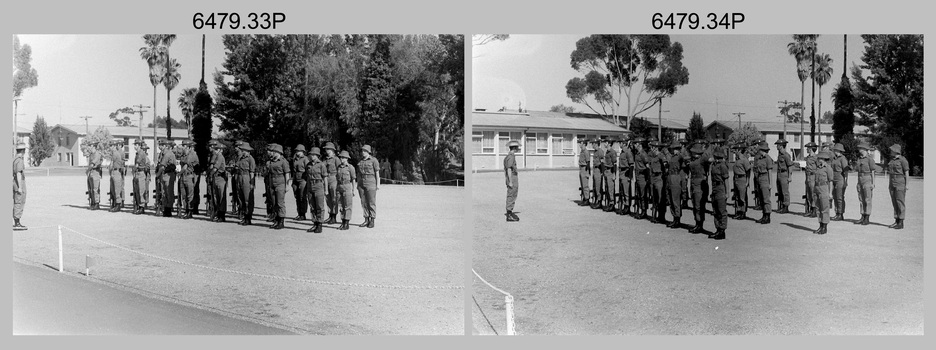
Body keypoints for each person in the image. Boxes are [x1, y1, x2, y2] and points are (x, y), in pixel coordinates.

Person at [687, 143, 709, 233]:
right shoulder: (694, 160)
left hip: (699, 185)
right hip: (694, 184)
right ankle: (697, 223)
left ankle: (700, 225)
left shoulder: (702, 159)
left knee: (699, 206)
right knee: (695, 205)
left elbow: (709, 159)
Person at [267, 143, 290, 229]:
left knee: (280, 203)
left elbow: (287, 173)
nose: (273, 153)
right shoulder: (271, 161)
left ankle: (281, 221)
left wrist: (287, 185)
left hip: (280, 183)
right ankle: (276, 220)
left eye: (275, 151)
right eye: (273, 151)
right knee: (274, 203)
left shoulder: (283, 161)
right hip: (272, 182)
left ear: (279, 152)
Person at [709, 148, 730, 240]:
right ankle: (718, 229)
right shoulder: (714, 165)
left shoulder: (723, 166)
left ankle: (722, 230)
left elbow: (726, 180)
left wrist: (727, 193)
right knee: (715, 210)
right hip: (715, 188)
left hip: (721, 188)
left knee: (722, 210)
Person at [305, 147, 327, 233]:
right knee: (312, 206)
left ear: (317, 155)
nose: (312, 156)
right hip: (310, 185)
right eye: (311, 154)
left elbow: (325, 178)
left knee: (319, 206)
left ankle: (320, 224)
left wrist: (326, 190)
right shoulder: (308, 165)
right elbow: (307, 176)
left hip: (318, 185)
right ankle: (315, 223)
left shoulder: (321, 165)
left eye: (314, 155)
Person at [357, 144, 380, 228]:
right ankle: (366, 219)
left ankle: (372, 220)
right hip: (361, 183)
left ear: (368, 152)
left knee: (371, 202)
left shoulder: (374, 160)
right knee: (364, 202)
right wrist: (358, 184)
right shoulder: (360, 161)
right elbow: (358, 173)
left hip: (371, 182)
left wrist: (378, 184)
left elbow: (377, 173)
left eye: (365, 151)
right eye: (362, 151)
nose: (363, 152)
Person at [887, 144, 909, 229]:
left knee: (900, 202)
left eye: (892, 150)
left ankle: (901, 222)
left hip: (900, 182)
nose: (890, 151)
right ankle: (896, 220)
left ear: (896, 151)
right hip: (892, 182)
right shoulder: (892, 160)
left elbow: (906, 173)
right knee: (894, 202)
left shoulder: (903, 160)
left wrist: (907, 185)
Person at [234, 141, 256, 226]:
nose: (242, 151)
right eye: (242, 149)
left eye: (244, 150)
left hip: (247, 178)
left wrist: (252, 183)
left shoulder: (251, 159)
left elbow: (252, 172)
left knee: (248, 199)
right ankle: (243, 215)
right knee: (240, 198)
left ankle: (248, 217)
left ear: (248, 151)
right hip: (239, 177)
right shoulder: (240, 158)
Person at [753, 141, 775, 224]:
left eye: (760, 150)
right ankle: (764, 215)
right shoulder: (760, 158)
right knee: (761, 198)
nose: (759, 151)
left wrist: (770, 184)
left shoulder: (768, 159)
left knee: (766, 199)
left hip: (765, 178)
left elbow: (770, 171)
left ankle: (767, 216)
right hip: (760, 178)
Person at [813, 151, 834, 234]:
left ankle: (824, 227)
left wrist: (830, 193)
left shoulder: (828, 168)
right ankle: (820, 225)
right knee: (818, 208)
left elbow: (831, 181)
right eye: (819, 158)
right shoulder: (818, 168)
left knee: (824, 208)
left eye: (820, 158)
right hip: (817, 188)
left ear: (824, 159)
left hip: (824, 188)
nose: (819, 160)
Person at [854, 142, 875, 225]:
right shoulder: (859, 159)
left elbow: (873, 171)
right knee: (861, 198)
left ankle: (867, 217)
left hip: (867, 178)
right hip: (860, 178)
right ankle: (862, 216)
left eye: (860, 148)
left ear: (865, 149)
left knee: (867, 199)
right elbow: (857, 169)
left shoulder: (870, 159)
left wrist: (873, 183)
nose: (859, 150)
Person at [665, 141, 685, 228]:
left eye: (676, 149)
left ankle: (677, 219)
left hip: (676, 177)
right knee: (670, 199)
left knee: (676, 200)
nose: (674, 150)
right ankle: (674, 218)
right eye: (674, 149)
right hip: (670, 177)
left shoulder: (680, 156)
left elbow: (685, 163)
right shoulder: (672, 157)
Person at [156, 140, 178, 217]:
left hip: (168, 175)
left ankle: (168, 209)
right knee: (164, 192)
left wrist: (157, 175)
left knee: (168, 192)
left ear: (165, 146)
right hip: (165, 175)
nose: (159, 146)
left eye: (161, 145)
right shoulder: (163, 154)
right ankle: (166, 208)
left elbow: (162, 167)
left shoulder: (167, 154)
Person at [178, 140, 199, 219]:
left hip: (189, 176)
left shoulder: (191, 154)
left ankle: (190, 211)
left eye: (184, 146)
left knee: (189, 195)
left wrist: (179, 173)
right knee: (184, 195)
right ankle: (186, 210)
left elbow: (185, 166)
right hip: (183, 176)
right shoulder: (184, 155)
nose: (182, 147)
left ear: (188, 147)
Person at [336, 150, 357, 230]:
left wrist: (353, 190)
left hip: (347, 186)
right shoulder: (339, 167)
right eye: (341, 157)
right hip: (340, 187)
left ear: (347, 158)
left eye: (343, 158)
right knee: (341, 205)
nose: (341, 159)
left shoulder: (350, 167)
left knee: (347, 205)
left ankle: (347, 223)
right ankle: (342, 221)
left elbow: (353, 179)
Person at [730, 142, 751, 220]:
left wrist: (748, 181)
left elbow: (748, 170)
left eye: (736, 150)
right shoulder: (737, 159)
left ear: (739, 150)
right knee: (737, 196)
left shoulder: (744, 159)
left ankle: (743, 212)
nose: (735, 151)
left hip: (742, 178)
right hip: (736, 178)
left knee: (742, 197)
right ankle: (738, 211)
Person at [648, 141, 667, 224]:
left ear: (655, 148)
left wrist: (663, 175)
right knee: (654, 197)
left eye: (652, 147)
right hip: (653, 177)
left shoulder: (661, 156)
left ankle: (661, 216)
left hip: (659, 177)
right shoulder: (653, 156)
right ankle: (654, 216)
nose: (651, 148)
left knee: (660, 198)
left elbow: (666, 166)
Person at [208, 141, 228, 222]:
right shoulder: (216, 156)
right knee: (216, 197)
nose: (215, 150)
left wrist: (210, 175)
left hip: (220, 178)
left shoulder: (220, 157)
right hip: (216, 178)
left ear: (220, 150)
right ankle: (218, 213)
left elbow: (215, 168)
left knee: (221, 197)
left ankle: (221, 215)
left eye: (217, 149)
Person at [132, 140, 152, 215]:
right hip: (138, 173)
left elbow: (137, 164)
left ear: (139, 145)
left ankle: (141, 207)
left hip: (140, 172)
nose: (135, 146)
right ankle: (138, 206)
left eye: (136, 145)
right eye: (134, 145)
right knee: (137, 190)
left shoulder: (141, 153)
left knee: (141, 190)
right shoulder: (138, 153)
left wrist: (133, 170)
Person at [830, 143, 849, 221]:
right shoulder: (834, 158)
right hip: (834, 178)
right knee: (835, 197)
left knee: (839, 197)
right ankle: (837, 213)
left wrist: (846, 181)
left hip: (840, 179)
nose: (835, 151)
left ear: (839, 150)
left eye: (836, 149)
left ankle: (840, 214)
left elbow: (846, 171)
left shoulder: (843, 159)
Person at [323, 142, 340, 224]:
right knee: (328, 198)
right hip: (326, 179)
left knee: (334, 198)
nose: (327, 151)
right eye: (326, 149)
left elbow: (339, 170)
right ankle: (330, 215)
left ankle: (334, 216)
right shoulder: (325, 160)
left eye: (329, 149)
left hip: (334, 178)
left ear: (333, 150)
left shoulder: (336, 159)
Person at [291, 145, 309, 221]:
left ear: (303, 152)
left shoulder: (305, 159)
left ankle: (303, 214)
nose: (297, 152)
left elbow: (308, 170)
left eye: (299, 151)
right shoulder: (294, 159)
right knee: (297, 196)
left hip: (303, 179)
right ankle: (299, 213)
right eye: (297, 151)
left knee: (302, 196)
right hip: (296, 179)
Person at [633, 138, 649, 219]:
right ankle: (640, 209)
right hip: (638, 176)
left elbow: (647, 167)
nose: (634, 145)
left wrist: (647, 177)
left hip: (643, 176)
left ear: (639, 144)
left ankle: (644, 211)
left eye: (635, 144)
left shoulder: (643, 154)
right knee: (639, 194)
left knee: (643, 195)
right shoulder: (637, 154)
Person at [774, 139, 792, 214]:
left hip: (784, 174)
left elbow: (790, 166)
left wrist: (789, 176)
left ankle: (786, 207)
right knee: (780, 191)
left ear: (781, 146)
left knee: (785, 191)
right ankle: (781, 206)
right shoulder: (780, 155)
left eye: (778, 145)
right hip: (779, 174)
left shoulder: (786, 155)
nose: (776, 146)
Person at [504, 140, 520, 221]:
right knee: (511, 195)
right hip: (512, 178)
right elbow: (509, 169)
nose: (518, 148)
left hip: (512, 178)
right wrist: (510, 181)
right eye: (517, 147)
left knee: (512, 195)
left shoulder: (509, 156)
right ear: (514, 148)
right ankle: (509, 215)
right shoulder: (511, 156)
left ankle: (510, 212)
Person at [617, 136, 634, 215]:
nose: (619, 144)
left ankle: (627, 206)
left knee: (626, 191)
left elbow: (631, 165)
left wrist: (630, 177)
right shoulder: (622, 152)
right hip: (621, 172)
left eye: (620, 142)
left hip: (626, 172)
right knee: (623, 191)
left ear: (624, 144)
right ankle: (625, 205)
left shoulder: (628, 152)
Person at [108, 140, 126, 212]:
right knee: (114, 189)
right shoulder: (114, 153)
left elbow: (111, 164)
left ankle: (118, 205)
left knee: (117, 189)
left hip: (116, 172)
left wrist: (110, 172)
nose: (110, 148)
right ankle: (116, 204)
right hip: (114, 171)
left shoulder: (115, 153)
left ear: (113, 146)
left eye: (111, 146)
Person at [13, 143, 27, 230]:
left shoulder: (14, 159)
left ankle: (16, 221)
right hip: (19, 183)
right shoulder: (19, 160)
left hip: (14, 182)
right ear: (23, 151)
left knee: (16, 201)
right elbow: (18, 173)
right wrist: (20, 187)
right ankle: (17, 223)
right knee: (19, 202)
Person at [86, 141, 103, 210]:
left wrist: (87, 170)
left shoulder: (97, 154)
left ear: (94, 147)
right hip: (91, 172)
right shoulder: (91, 154)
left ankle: (96, 203)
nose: (89, 147)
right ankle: (92, 202)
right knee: (91, 189)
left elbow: (92, 164)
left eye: (91, 146)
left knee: (95, 189)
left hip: (95, 172)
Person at [803, 142, 819, 218]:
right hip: (808, 176)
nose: (807, 149)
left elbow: (819, 167)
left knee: (813, 193)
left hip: (813, 176)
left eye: (808, 148)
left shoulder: (816, 158)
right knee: (808, 194)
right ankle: (810, 209)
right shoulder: (808, 157)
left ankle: (814, 210)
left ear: (811, 149)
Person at [603, 139, 618, 212]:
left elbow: (615, 164)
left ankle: (612, 204)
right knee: (607, 188)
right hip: (606, 171)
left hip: (610, 171)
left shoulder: (612, 152)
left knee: (610, 188)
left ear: (609, 143)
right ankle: (609, 203)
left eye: (605, 142)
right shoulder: (607, 152)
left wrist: (614, 174)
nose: (604, 144)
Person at [577, 139, 590, 206]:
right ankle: (584, 198)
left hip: (585, 169)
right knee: (582, 185)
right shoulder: (582, 151)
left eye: (580, 143)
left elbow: (588, 162)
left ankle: (587, 199)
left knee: (585, 185)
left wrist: (587, 172)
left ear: (584, 144)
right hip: (581, 168)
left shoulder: (586, 152)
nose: (579, 144)